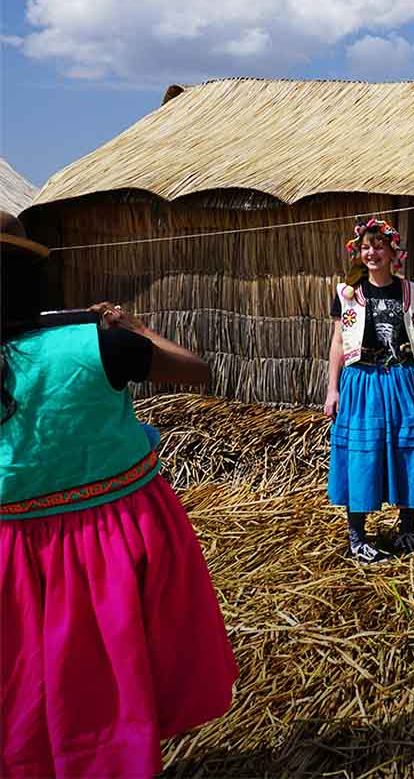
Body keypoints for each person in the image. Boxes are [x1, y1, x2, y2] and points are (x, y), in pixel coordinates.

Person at [0, 211, 238, 778]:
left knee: (21, 691)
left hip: (10, 559)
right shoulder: (96, 347)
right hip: (108, 548)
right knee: (107, 687)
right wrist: (133, 330)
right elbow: (196, 371)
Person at [324, 217, 414, 564]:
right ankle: (357, 537)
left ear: (394, 252)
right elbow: (337, 341)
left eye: (378, 246)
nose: (372, 252)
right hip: (363, 382)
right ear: (358, 254)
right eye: (366, 247)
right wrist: (332, 390)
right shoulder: (348, 295)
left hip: (403, 379)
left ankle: (407, 528)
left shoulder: (411, 292)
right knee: (364, 456)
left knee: (408, 450)